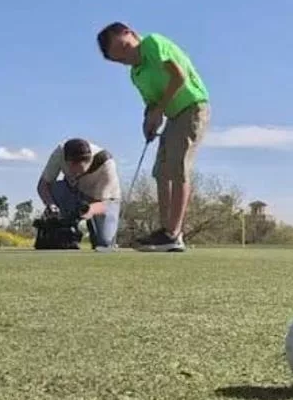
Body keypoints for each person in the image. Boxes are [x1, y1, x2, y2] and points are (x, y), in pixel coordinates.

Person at [96, 21, 210, 253]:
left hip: (192, 107)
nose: (126, 57)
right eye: (119, 58)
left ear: (130, 33)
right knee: (160, 172)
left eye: (125, 48)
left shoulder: (153, 43)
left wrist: (159, 111)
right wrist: (149, 119)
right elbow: (151, 102)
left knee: (178, 169)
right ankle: (166, 230)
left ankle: (173, 234)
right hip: (173, 115)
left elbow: (178, 77)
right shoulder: (136, 75)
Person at [36, 137, 122, 250]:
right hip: (74, 192)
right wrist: (51, 205)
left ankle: (96, 235)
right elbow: (43, 185)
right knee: (56, 189)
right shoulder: (60, 153)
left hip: (104, 201)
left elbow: (100, 204)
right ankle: (58, 234)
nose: (74, 173)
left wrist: (79, 214)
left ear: (89, 161)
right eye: (71, 168)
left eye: (79, 170)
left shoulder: (106, 164)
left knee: (104, 243)